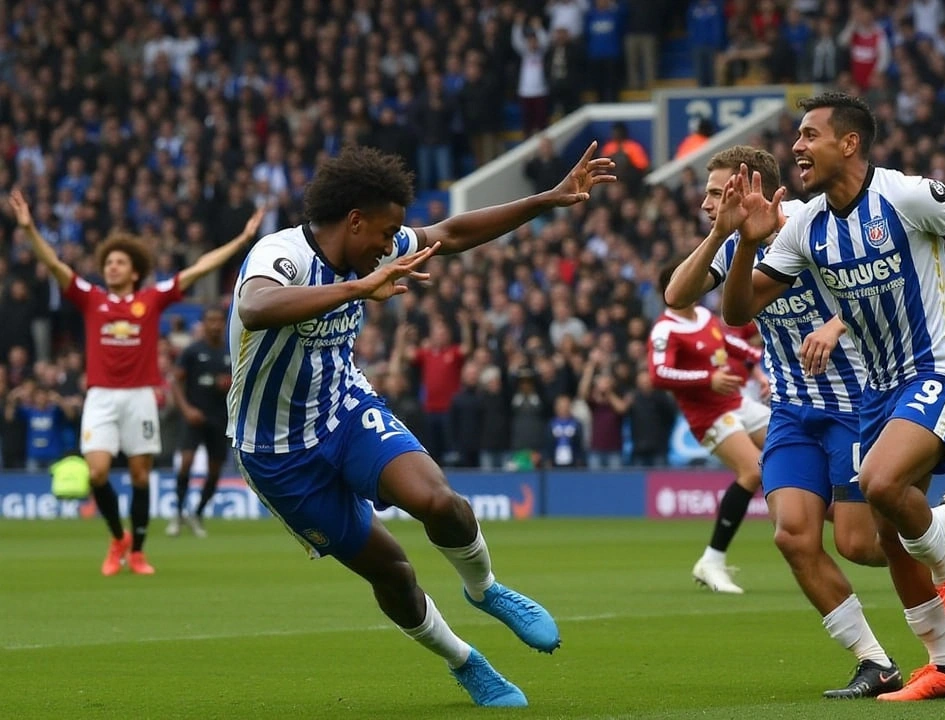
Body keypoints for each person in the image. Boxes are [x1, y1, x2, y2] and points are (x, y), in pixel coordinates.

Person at [719, 92, 945, 701]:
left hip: (940, 371)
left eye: (810, 136)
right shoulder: (805, 224)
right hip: (875, 393)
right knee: (875, 537)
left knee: (883, 486)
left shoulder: (908, 196)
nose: (797, 147)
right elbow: (739, 311)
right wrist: (748, 242)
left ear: (849, 143)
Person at [227, 144, 613, 707]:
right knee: (394, 572)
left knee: (440, 502)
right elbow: (258, 307)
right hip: (276, 455)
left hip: (344, 409)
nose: (391, 247)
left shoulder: (374, 248)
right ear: (354, 220)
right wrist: (359, 288)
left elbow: (450, 234)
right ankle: (465, 660)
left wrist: (548, 200)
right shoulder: (281, 253)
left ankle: (486, 590)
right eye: (384, 235)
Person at [667, 144, 945, 699]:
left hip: (853, 400)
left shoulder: (809, 226)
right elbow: (677, 295)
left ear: (758, 189)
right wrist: (723, 231)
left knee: (863, 545)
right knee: (792, 535)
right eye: (710, 195)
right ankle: (874, 661)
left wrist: (836, 324)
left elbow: (872, 286)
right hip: (791, 410)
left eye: (720, 192)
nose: (707, 203)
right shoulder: (735, 245)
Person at [7, 189, 263, 576]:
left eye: (119, 261)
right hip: (101, 396)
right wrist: (29, 230)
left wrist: (242, 241)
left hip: (141, 396)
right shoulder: (92, 299)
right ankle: (117, 538)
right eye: (108, 261)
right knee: (97, 472)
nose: (111, 267)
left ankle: (139, 551)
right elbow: (56, 265)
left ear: (134, 269)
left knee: (141, 474)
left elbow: (199, 270)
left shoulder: (152, 298)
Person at [649, 263, 770, 595]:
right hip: (710, 418)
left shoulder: (704, 317)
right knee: (752, 471)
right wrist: (708, 378)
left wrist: (759, 370)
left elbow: (734, 347)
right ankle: (712, 560)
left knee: (792, 446)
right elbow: (658, 374)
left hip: (737, 405)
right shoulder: (665, 329)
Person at [168, 306, 234, 538]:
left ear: (224, 324)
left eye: (219, 321)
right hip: (195, 417)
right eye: (211, 320)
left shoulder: (230, 351)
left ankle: (197, 513)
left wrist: (230, 383)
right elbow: (175, 382)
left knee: (215, 470)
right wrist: (186, 410)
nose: (215, 325)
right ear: (204, 324)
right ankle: (177, 513)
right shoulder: (193, 351)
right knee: (186, 462)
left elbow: (241, 381)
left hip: (220, 419)